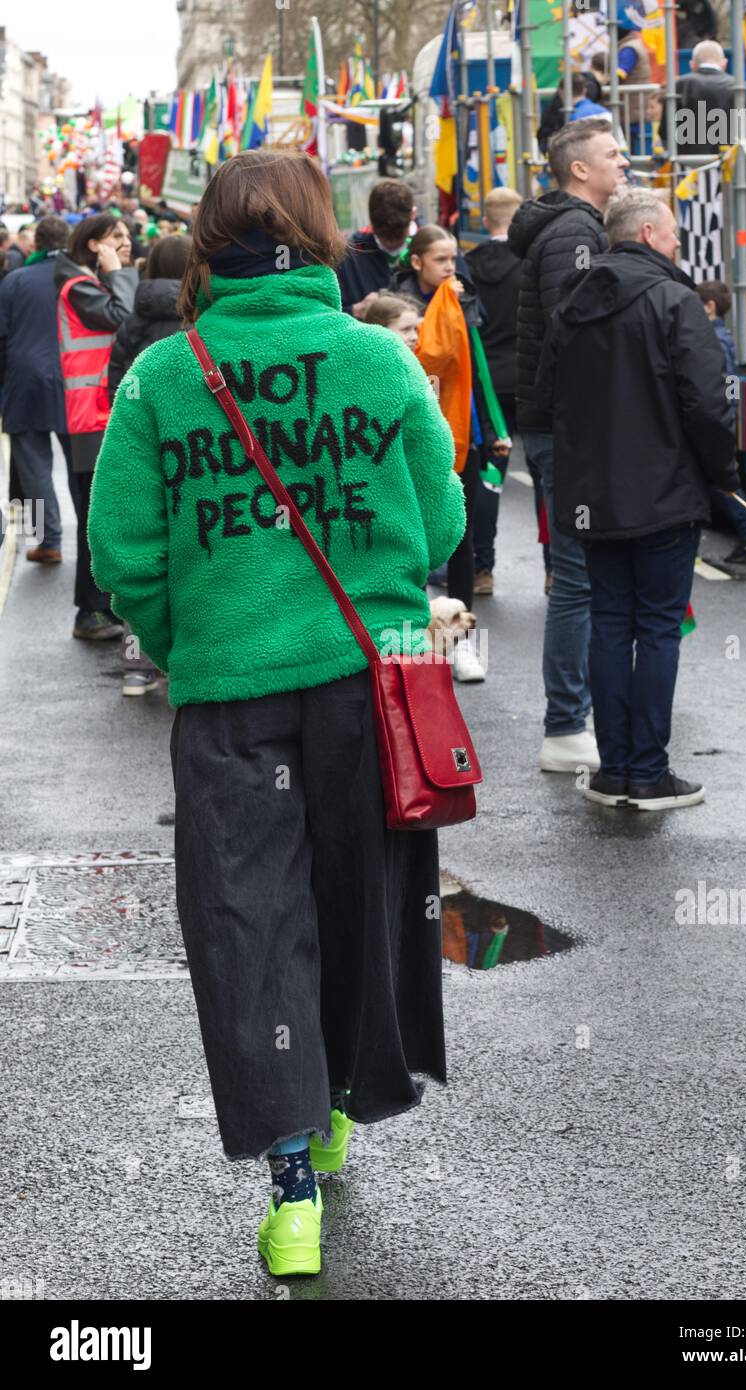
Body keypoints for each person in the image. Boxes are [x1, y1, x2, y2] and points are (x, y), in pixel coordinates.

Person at [87, 149, 466, 1276]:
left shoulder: (164, 376)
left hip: (229, 701)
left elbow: (123, 557)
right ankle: (345, 1091)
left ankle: (291, 1185)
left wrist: (186, 638)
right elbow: (440, 523)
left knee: (250, 923)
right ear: (321, 233)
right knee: (361, 901)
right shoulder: (376, 359)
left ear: (207, 241)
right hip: (369, 682)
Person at [539, 188, 739, 810]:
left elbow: (548, 397)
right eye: (674, 232)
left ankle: (614, 769)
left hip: (591, 497)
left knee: (608, 623)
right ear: (649, 234)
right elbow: (708, 405)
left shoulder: (570, 301)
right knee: (656, 630)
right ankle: (648, 773)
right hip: (664, 492)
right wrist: (723, 475)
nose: (680, 242)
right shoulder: (675, 300)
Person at [509, 118, 629, 774]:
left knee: (580, 575)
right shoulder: (576, 232)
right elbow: (575, 331)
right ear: (579, 169)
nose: (624, 164)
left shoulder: (566, 229)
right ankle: (564, 724)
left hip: (559, 425)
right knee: (579, 578)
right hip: (569, 428)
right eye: (613, 155)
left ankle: (573, 718)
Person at [391, 224, 510, 679]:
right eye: (441, 260)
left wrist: (493, 428)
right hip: (407, 436)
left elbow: (473, 367)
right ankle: (412, 637)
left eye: (454, 258)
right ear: (417, 261)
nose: (451, 268)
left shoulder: (463, 298)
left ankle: (461, 644)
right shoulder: (396, 301)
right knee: (409, 541)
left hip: (459, 434)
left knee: (459, 536)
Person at [107, 233, 192, 695]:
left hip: (142, 450)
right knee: (188, 554)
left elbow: (116, 382)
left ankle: (137, 666)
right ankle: (180, 657)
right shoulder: (199, 318)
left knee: (142, 558)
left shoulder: (134, 319)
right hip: (189, 453)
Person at [55, 212, 138, 640]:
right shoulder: (80, 287)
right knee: (94, 516)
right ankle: (90, 612)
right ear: (94, 245)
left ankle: (100, 608)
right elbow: (122, 316)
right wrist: (120, 274)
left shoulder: (90, 282)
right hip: (90, 416)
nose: (126, 242)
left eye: (126, 235)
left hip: (99, 412)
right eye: (116, 237)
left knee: (101, 513)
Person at [0, 216, 72, 563]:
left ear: (35, 244)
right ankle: (93, 544)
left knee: (34, 469)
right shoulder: (79, 278)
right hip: (76, 383)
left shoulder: (16, 280)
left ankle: (50, 540)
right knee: (83, 470)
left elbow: (1, 339)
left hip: (26, 382)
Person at [466, 186, 524, 595]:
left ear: (486, 221)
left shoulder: (467, 266)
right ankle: (556, 571)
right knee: (547, 473)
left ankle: (482, 569)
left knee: (488, 476)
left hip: (487, 382)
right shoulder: (531, 264)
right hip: (529, 379)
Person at [696, 280, 746, 563]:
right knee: (716, 481)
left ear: (710, 306)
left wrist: (725, 410)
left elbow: (727, 379)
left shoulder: (713, 338)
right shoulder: (721, 335)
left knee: (716, 480)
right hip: (724, 414)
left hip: (720, 416)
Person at [337, 178, 416, 317]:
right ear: (370, 221)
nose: (390, 244)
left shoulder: (430, 249)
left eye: (397, 237)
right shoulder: (348, 256)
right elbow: (328, 314)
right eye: (384, 237)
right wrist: (356, 310)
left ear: (413, 215)